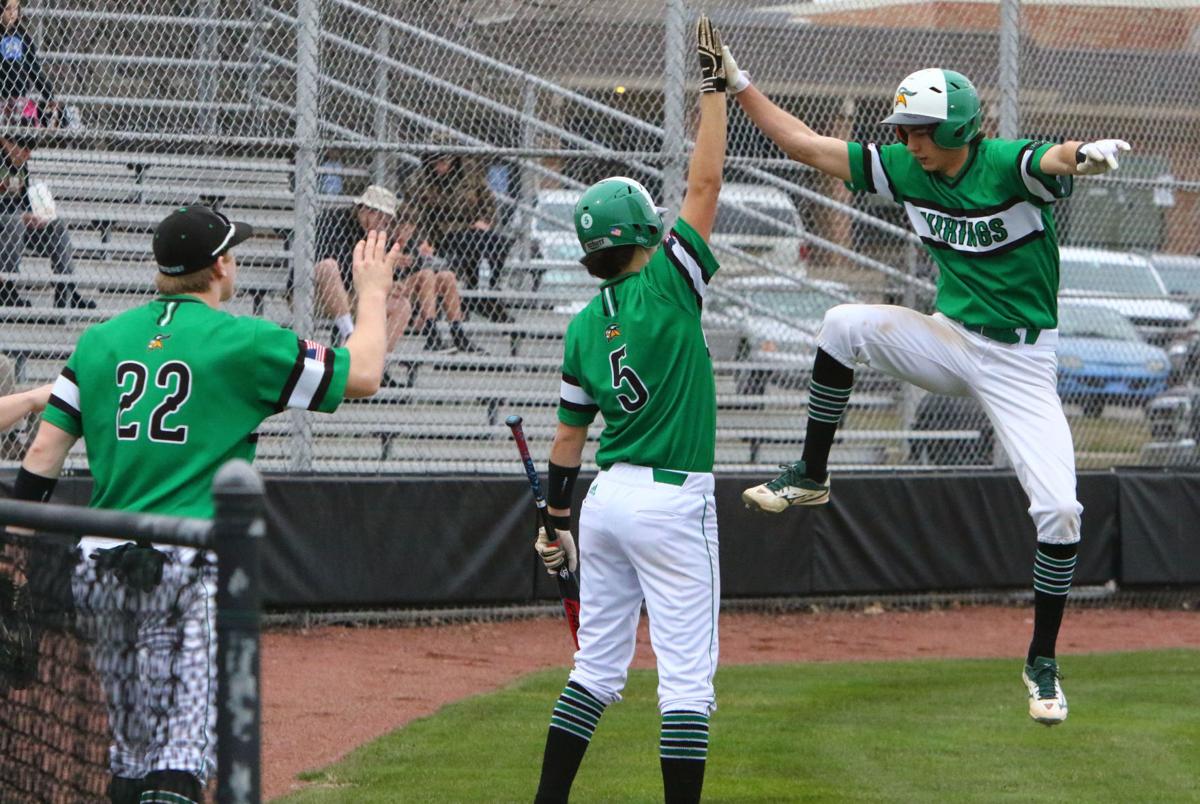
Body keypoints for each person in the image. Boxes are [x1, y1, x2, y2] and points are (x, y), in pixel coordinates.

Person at [723, 46, 1132, 725]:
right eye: (903, 129)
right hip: (949, 340)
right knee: (841, 322)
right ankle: (811, 472)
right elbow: (804, 145)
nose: (905, 140)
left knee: (1060, 511)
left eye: (918, 130)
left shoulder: (999, 164)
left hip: (1023, 364)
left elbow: (1052, 159)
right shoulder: (909, 170)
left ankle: (1042, 662)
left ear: (955, 131)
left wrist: (1085, 154)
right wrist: (740, 85)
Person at [14, 204, 398, 802]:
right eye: (233, 251)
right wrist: (371, 293)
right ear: (219, 266)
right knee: (181, 755)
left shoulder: (99, 339)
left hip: (102, 570)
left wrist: (19, 556)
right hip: (190, 568)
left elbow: (43, 452)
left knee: (131, 751)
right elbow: (367, 373)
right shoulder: (246, 340)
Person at [531, 17, 727, 804]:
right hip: (675, 499)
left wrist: (554, 520)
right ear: (645, 232)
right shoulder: (669, 284)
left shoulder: (583, 324)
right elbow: (705, 187)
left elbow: (568, 438)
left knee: (595, 671)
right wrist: (716, 94)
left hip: (606, 501)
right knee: (686, 682)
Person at [0, 0, 92, 310]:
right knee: (12, 221)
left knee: (54, 221)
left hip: (17, 214)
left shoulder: (23, 38)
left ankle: (67, 290)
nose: (10, 14)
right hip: (5, 222)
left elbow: (36, 70)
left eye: (14, 8)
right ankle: (6, 289)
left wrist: (37, 213)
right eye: (6, 8)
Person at [401, 151, 514, 323]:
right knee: (468, 246)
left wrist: (485, 220)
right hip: (440, 233)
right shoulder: (420, 179)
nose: (440, 167)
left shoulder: (470, 174)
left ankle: (490, 288)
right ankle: (472, 298)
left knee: (500, 243)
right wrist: (421, 240)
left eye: (444, 162)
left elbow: (488, 201)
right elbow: (412, 214)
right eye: (436, 162)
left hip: (471, 229)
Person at [311, 184, 410, 348]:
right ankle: (349, 335)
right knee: (328, 266)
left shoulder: (377, 233)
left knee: (402, 306)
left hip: (354, 295)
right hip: (315, 294)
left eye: (386, 222)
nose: (382, 225)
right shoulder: (331, 221)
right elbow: (336, 264)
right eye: (380, 219)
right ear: (365, 210)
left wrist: (390, 284)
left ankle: (373, 363)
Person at [392, 207, 478, 353]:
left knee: (447, 277)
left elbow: (431, 266)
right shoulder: (385, 240)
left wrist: (424, 256)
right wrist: (394, 261)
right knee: (426, 274)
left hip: (417, 289)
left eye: (410, 228)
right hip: (392, 286)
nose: (406, 232)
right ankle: (432, 335)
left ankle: (458, 334)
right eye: (403, 227)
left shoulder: (413, 243)